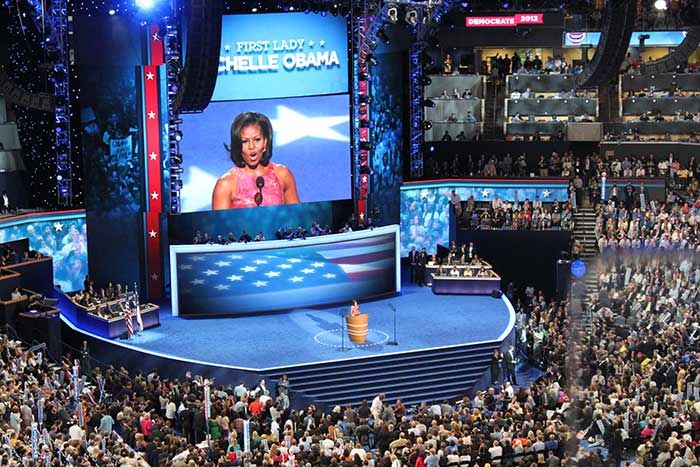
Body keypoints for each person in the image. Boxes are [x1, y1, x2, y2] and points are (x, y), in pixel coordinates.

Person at [212, 112, 299, 209]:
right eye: (244, 141)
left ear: (265, 141)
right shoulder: (225, 184)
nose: (251, 146)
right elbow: (221, 219)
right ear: (237, 145)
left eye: (257, 140)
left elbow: (297, 216)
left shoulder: (283, 175)